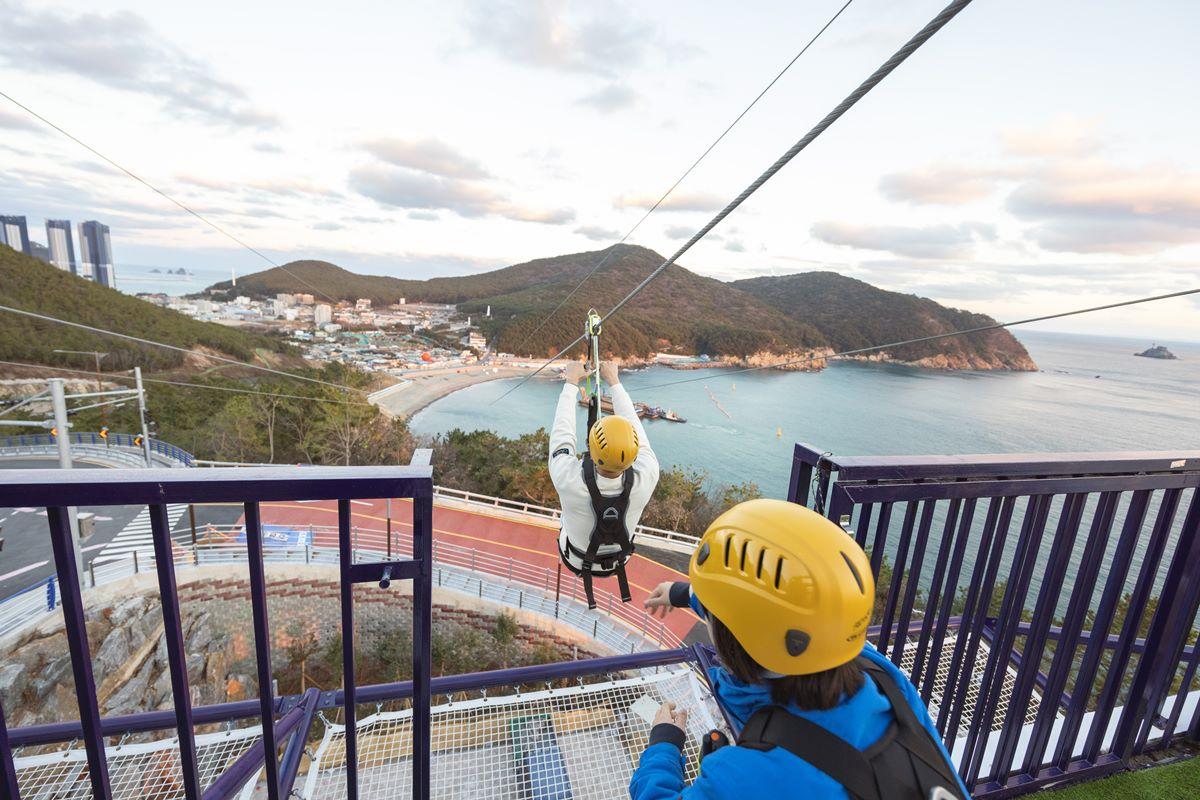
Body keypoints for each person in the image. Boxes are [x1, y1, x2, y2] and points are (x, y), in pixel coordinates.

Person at [631, 499, 971, 800]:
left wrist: (665, 741)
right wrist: (683, 594)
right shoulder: (884, 679)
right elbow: (764, 620)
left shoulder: (745, 777)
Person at [550, 360, 660, 608]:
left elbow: (562, 434)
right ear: (633, 453)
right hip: (619, 560)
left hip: (574, 559)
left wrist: (571, 383)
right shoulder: (647, 474)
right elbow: (637, 430)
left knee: (566, 518)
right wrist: (615, 382)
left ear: (593, 448)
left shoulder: (569, 478)